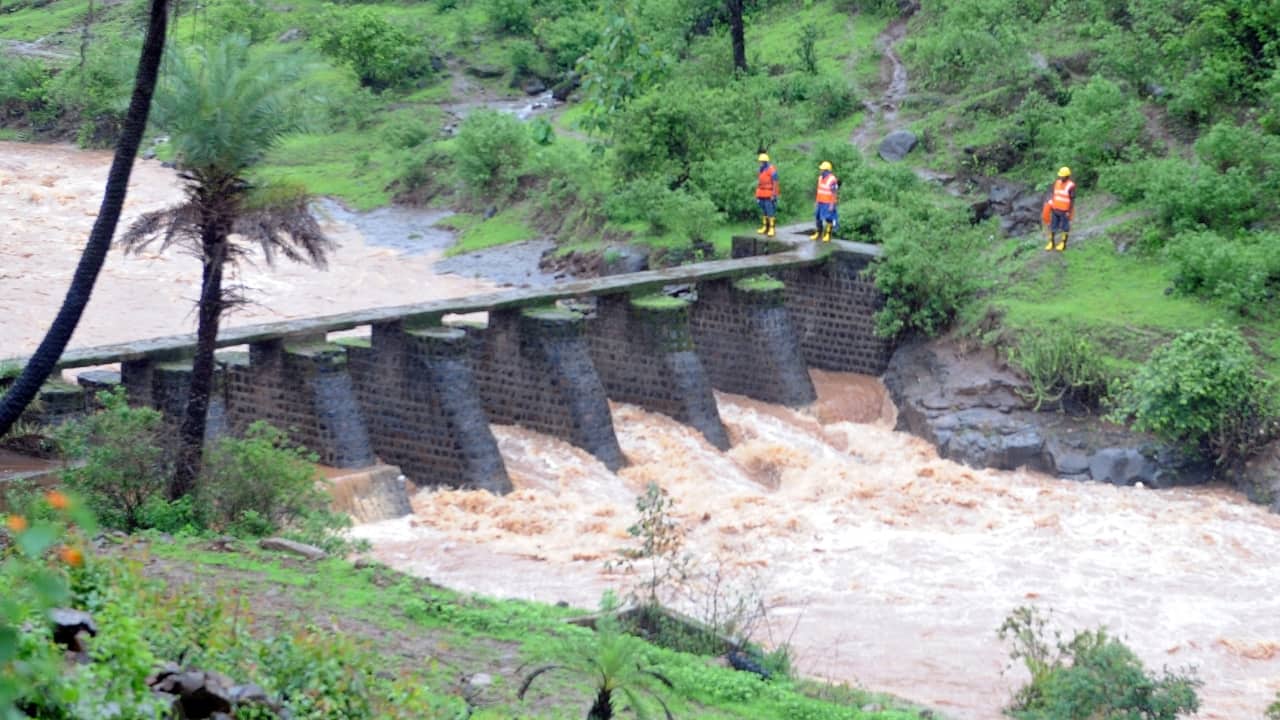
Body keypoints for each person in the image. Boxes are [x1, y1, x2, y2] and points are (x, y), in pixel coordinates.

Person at [1045, 166, 1075, 252]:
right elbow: (1054, 194)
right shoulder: (1057, 182)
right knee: (1052, 226)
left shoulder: (1071, 186)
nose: (1060, 177)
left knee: (1065, 227)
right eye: (1060, 175)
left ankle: (1063, 243)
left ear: (1067, 176)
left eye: (1062, 176)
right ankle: (1051, 242)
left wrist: (1069, 211)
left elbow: (1072, 200)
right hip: (1055, 209)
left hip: (1064, 211)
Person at [811, 161, 839, 242]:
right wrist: (816, 201)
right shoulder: (820, 178)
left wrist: (832, 204)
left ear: (827, 170)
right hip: (820, 202)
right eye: (821, 169)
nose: (821, 171)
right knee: (817, 218)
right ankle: (818, 233)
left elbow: (834, 193)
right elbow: (819, 190)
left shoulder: (832, 179)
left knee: (829, 219)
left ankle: (828, 234)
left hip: (828, 203)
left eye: (822, 169)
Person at [755, 153, 779, 238]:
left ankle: (772, 228)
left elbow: (775, 183)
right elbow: (759, 183)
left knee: (770, 211)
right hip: (761, 193)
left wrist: (774, 195)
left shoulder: (771, 170)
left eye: (761, 162)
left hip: (769, 194)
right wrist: (757, 195)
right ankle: (765, 227)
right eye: (760, 162)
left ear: (765, 162)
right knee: (764, 211)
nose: (760, 163)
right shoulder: (761, 170)